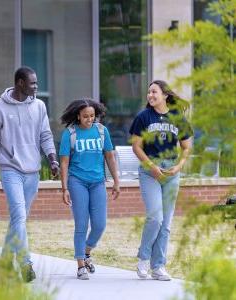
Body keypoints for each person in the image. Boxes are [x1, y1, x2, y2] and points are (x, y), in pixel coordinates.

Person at [0, 66, 59, 282]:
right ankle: (25, 264)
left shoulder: (39, 106)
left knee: (18, 220)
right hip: (10, 169)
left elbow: (45, 134)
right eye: (33, 83)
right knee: (20, 216)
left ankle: (4, 261)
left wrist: (52, 160)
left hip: (32, 171)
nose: (36, 87)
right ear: (20, 83)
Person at [130, 80, 192, 281]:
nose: (150, 95)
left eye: (154, 92)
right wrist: (151, 167)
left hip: (171, 172)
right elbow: (136, 147)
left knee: (166, 223)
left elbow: (186, 147)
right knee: (155, 218)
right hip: (150, 172)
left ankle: (158, 267)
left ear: (165, 95)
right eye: (148, 92)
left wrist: (179, 166)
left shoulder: (177, 117)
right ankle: (143, 259)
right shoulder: (143, 117)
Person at [59, 99, 120, 280]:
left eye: (92, 116)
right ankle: (80, 265)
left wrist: (116, 181)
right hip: (77, 182)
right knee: (81, 224)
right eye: (85, 116)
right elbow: (64, 162)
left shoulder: (101, 131)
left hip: (97, 183)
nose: (89, 119)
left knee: (100, 225)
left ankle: (86, 252)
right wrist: (64, 188)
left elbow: (109, 156)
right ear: (78, 116)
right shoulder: (70, 133)